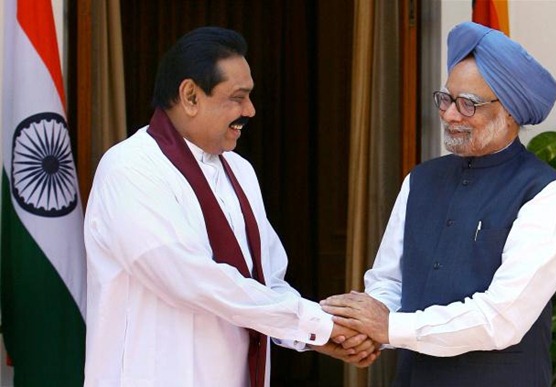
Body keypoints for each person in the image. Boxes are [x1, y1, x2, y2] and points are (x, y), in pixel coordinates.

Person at [83, 26, 378, 387]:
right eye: (237, 98)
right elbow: (192, 280)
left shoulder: (240, 170)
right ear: (190, 95)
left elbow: (267, 282)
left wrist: (315, 336)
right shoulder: (129, 168)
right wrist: (315, 323)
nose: (250, 111)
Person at [321, 21, 556, 386]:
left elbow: (500, 318)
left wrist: (390, 327)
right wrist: (367, 326)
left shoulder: (545, 194)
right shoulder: (421, 180)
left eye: (467, 104)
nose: (448, 114)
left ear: (510, 111)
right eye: (446, 98)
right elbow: (388, 281)